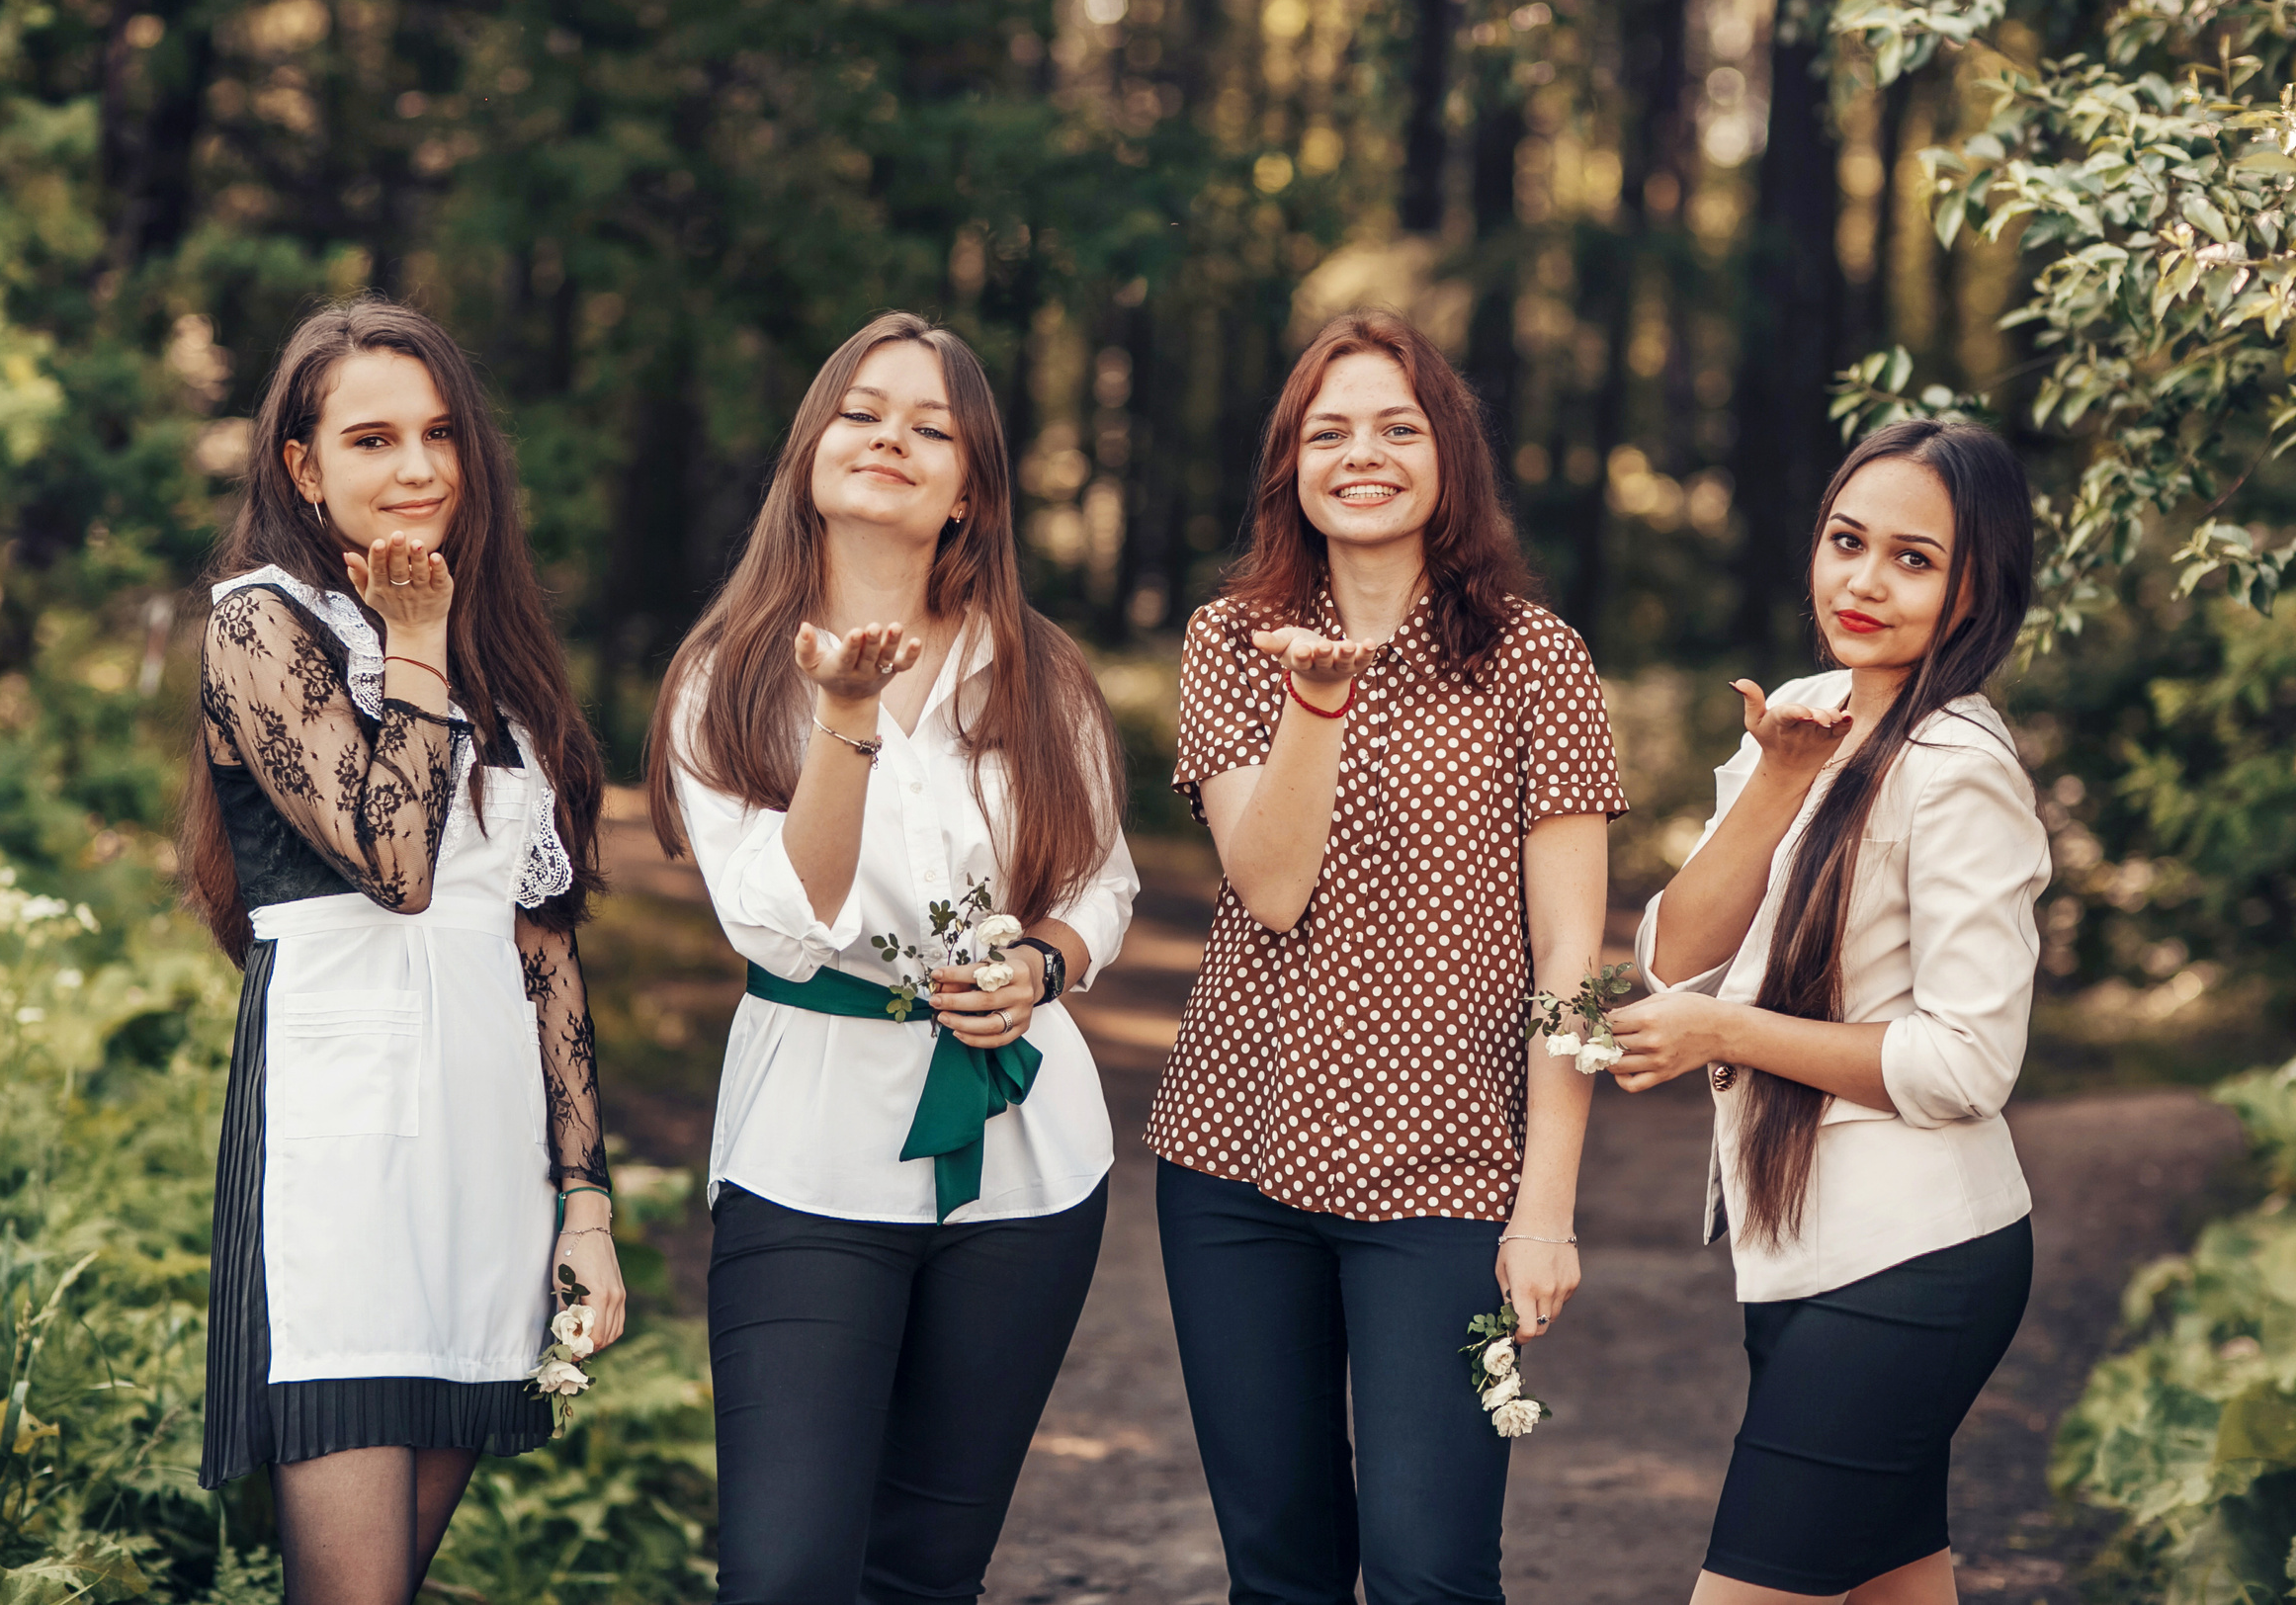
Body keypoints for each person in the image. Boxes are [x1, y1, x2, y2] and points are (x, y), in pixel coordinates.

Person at [643, 312, 1139, 1605]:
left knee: (925, 1571)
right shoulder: (724, 675)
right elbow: (778, 919)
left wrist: (1043, 963)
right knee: (784, 1571)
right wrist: (847, 721)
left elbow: (1102, 882)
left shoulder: (1037, 674)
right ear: (811, 451)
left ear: (968, 491)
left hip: (1026, 1169)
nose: (890, 439)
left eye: (932, 427)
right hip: (808, 1154)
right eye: (861, 412)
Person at [1147, 308, 1625, 1604]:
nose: (1362, 454)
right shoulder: (1228, 641)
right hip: (1236, 1162)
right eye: (1329, 432)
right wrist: (1319, 701)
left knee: (1432, 1566)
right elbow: (1271, 884)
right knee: (1282, 1568)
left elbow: (1572, 957)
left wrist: (1546, 1205)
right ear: (1290, 465)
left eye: (1397, 428)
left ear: (1448, 456)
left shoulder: (1538, 661)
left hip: (1451, 1178)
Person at [180, 298, 623, 1605]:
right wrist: (416, 647)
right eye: (371, 439)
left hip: (487, 1164)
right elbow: (398, 865)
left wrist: (584, 1202)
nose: (419, 467)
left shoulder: (504, 669)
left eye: (440, 433)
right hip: (342, 1157)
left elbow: (543, 956)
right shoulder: (261, 625)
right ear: (303, 467)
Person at [1614, 419, 2048, 1603]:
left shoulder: (1959, 769)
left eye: (1913, 559)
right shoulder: (1806, 712)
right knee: (1895, 1584)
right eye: (1846, 542)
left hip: (1913, 1261)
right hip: (1805, 1252)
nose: (1863, 581)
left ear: (1975, 590)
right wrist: (1776, 779)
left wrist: (1727, 1034)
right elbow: (1674, 959)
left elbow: (1966, 1063)